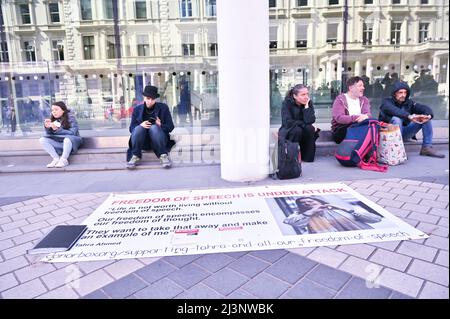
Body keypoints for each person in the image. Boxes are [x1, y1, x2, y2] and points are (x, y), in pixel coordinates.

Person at [378, 80, 445, 158]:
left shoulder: (409, 103)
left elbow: (422, 107)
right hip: (388, 135)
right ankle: (398, 150)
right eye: (400, 92)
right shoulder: (386, 102)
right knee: (397, 119)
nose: (403, 95)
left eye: (405, 92)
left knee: (424, 118)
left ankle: (427, 147)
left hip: (404, 133)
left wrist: (429, 115)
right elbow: (394, 110)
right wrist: (409, 116)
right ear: (395, 93)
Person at [126, 85, 175, 169]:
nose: (150, 101)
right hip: (142, 142)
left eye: (152, 99)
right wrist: (141, 125)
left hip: (159, 140)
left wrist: (160, 125)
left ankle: (163, 155)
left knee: (154, 127)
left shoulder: (163, 108)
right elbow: (131, 129)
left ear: (155, 99)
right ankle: (135, 155)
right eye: (148, 98)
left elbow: (170, 127)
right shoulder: (137, 110)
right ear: (144, 98)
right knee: (138, 128)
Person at [283, 196, 382, 234]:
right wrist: (312, 211)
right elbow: (289, 221)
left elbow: (376, 219)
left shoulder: (339, 209)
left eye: (309, 201)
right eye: (303, 204)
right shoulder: (304, 215)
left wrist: (345, 209)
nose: (307, 203)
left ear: (318, 201)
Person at [280, 84, 318, 162]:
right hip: (289, 129)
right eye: (303, 94)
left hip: (302, 128)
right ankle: (292, 156)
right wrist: (303, 124)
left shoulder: (308, 102)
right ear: (295, 96)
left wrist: (306, 107)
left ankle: (307, 157)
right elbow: (288, 122)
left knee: (310, 128)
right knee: (297, 130)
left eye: (307, 94)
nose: (306, 97)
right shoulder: (287, 103)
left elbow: (310, 120)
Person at [39, 101, 83, 168]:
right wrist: (47, 127)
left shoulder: (71, 118)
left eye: (56, 109)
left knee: (67, 139)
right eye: (52, 110)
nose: (54, 112)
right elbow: (49, 134)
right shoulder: (53, 119)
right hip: (60, 142)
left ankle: (64, 160)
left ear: (63, 110)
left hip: (72, 142)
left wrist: (58, 130)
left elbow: (73, 133)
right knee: (42, 140)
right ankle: (56, 159)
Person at [331, 76, 372, 144]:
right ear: (351, 88)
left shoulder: (364, 100)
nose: (363, 88)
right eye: (360, 85)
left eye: (363, 86)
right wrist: (357, 118)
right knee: (362, 132)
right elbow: (339, 118)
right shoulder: (340, 99)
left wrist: (367, 116)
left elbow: (367, 114)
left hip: (359, 128)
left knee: (370, 128)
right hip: (341, 130)